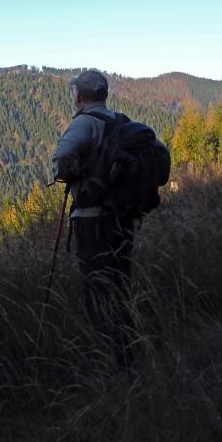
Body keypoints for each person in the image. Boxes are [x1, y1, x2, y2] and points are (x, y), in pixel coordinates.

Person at [51, 69, 136, 367]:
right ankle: (129, 350)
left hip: (91, 220)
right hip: (124, 218)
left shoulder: (83, 124)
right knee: (121, 283)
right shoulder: (122, 122)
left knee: (97, 290)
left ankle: (109, 360)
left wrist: (74, 173)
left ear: (79, 95)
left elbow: (61, 163)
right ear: (106, 94)